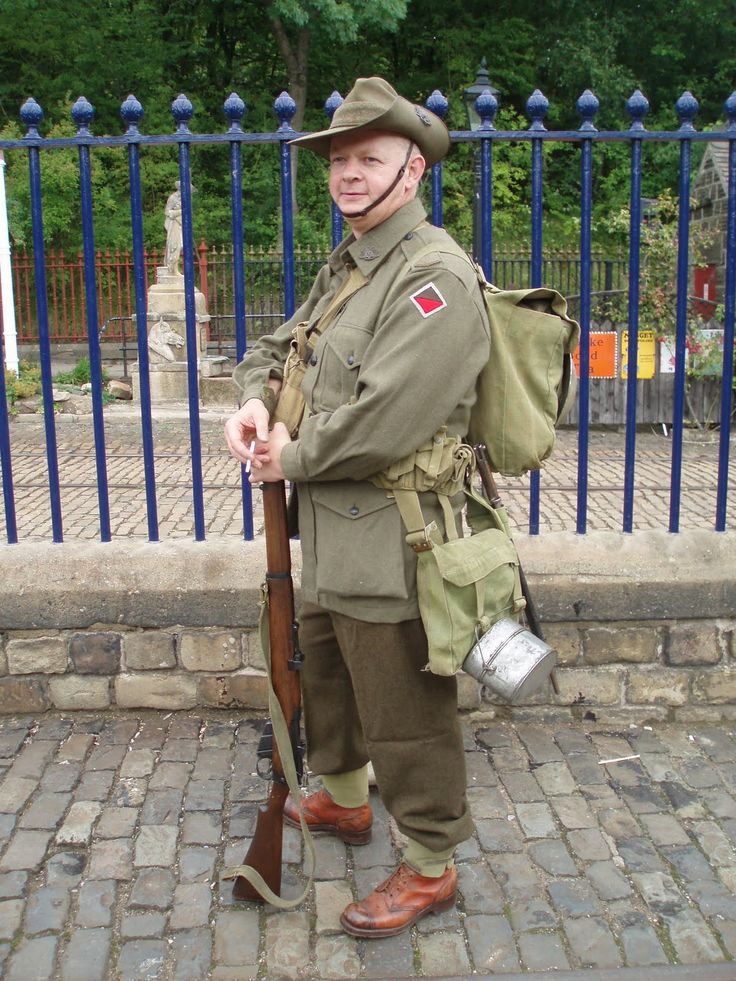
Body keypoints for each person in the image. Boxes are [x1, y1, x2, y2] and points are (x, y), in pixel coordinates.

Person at [224, 76, 490, 938]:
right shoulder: (350, 264)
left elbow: (384, 420)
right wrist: (256, 400)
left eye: (367, 158)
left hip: (395, 532)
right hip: (328, 527)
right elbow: (280, 346)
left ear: (411, 171)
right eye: (338, 158)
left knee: (403, 704)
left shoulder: (433, 276)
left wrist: (285, 456)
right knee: (326, 674)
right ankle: (344, 800)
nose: (346, 173)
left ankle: (430, 866)